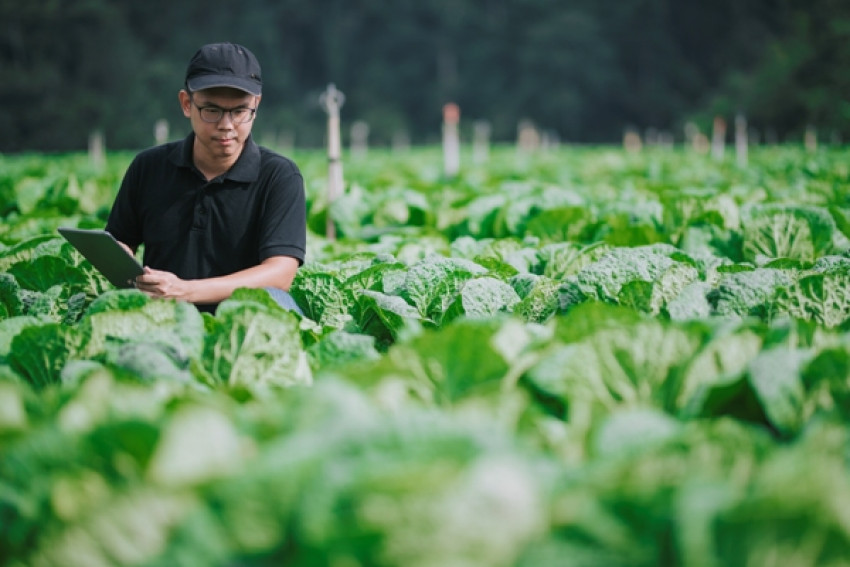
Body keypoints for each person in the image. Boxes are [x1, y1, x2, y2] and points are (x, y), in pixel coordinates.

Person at [105, 42, 306, 314]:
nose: (226, 125)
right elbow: (119, 241)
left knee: (279, 304)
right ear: (187, 104)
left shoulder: (279, 176)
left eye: (239, 111)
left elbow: (280, 273)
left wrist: (186, 291)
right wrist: (120, 258)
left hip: (242, 321)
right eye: (211, 110)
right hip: (163, 315)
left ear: (255, 105)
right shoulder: (148, 166)